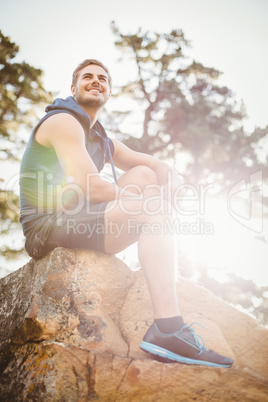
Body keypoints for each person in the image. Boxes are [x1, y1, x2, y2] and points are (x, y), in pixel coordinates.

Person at [19, 59, 233, 368]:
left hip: (76, 214)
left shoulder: (102, 140)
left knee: (145, 175)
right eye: (87, 77)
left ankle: (157, 258)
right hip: (46, 227)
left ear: (108, 90)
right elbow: (91, 187)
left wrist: (173, 189)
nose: (96, 81)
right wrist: (146, 208)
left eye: (102, 78)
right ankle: (168, 329)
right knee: (150, 205)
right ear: (73, 88)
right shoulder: (63, 121)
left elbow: (158, 167)